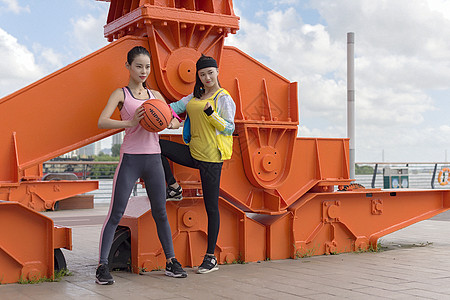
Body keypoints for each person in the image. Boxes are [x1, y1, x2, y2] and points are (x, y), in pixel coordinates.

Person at [96, 46, 186, 285]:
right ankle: (102, 266)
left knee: (160, 213)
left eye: (147, 67)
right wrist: (130, 122)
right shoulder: (121, 94)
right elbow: (102, 121)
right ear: (128, 67)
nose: (144, 71)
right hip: (130, 159)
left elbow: (173, 122)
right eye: (139, 66)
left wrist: (172, 122)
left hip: (154, 159)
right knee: (115, 213)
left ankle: (171, 262)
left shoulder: (155, 96)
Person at [162, 54, 236, 274]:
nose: (206, 77)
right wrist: (171, 117)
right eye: (202, 74)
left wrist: (211, 114)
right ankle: (174, 187)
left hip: (212, 158)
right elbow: (174, 107)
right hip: (193, 152)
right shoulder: (196, 95)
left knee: (211, 207)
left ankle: (211, 258)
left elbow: (230, 128)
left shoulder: (223, 98)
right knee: (157, 147)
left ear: (217, 72)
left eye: (210, 73)